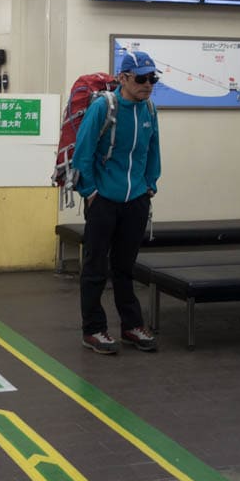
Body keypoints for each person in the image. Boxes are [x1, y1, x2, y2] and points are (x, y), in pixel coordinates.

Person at [73, 49, 161, 354]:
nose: (148, 84)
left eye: (153, 78)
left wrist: (149, 186)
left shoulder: (149, 109)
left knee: (125, 266)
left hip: (136, 199)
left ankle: (131, 326)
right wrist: (91, 192)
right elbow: (82, 152)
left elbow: (153, 151)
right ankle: (93, 329)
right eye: (141, 78)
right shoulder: (103, 107)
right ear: (123, 78)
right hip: (103, 199)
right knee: (96, 267)